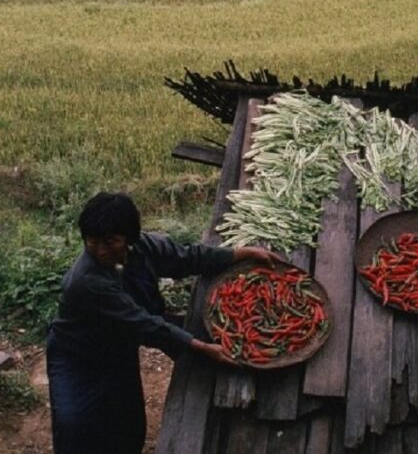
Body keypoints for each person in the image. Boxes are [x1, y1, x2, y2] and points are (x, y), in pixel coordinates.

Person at [46, 191, 278, 454]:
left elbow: (187, 258)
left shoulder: (143, 247)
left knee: (127, 422)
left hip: (117, 349)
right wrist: (200, 347)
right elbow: (142, 323)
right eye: (92, 241)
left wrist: (241, 253)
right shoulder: (87, 282)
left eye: (111, 241)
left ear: (129, 238)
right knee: (74, 425)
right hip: (78, 356)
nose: (100, 250)